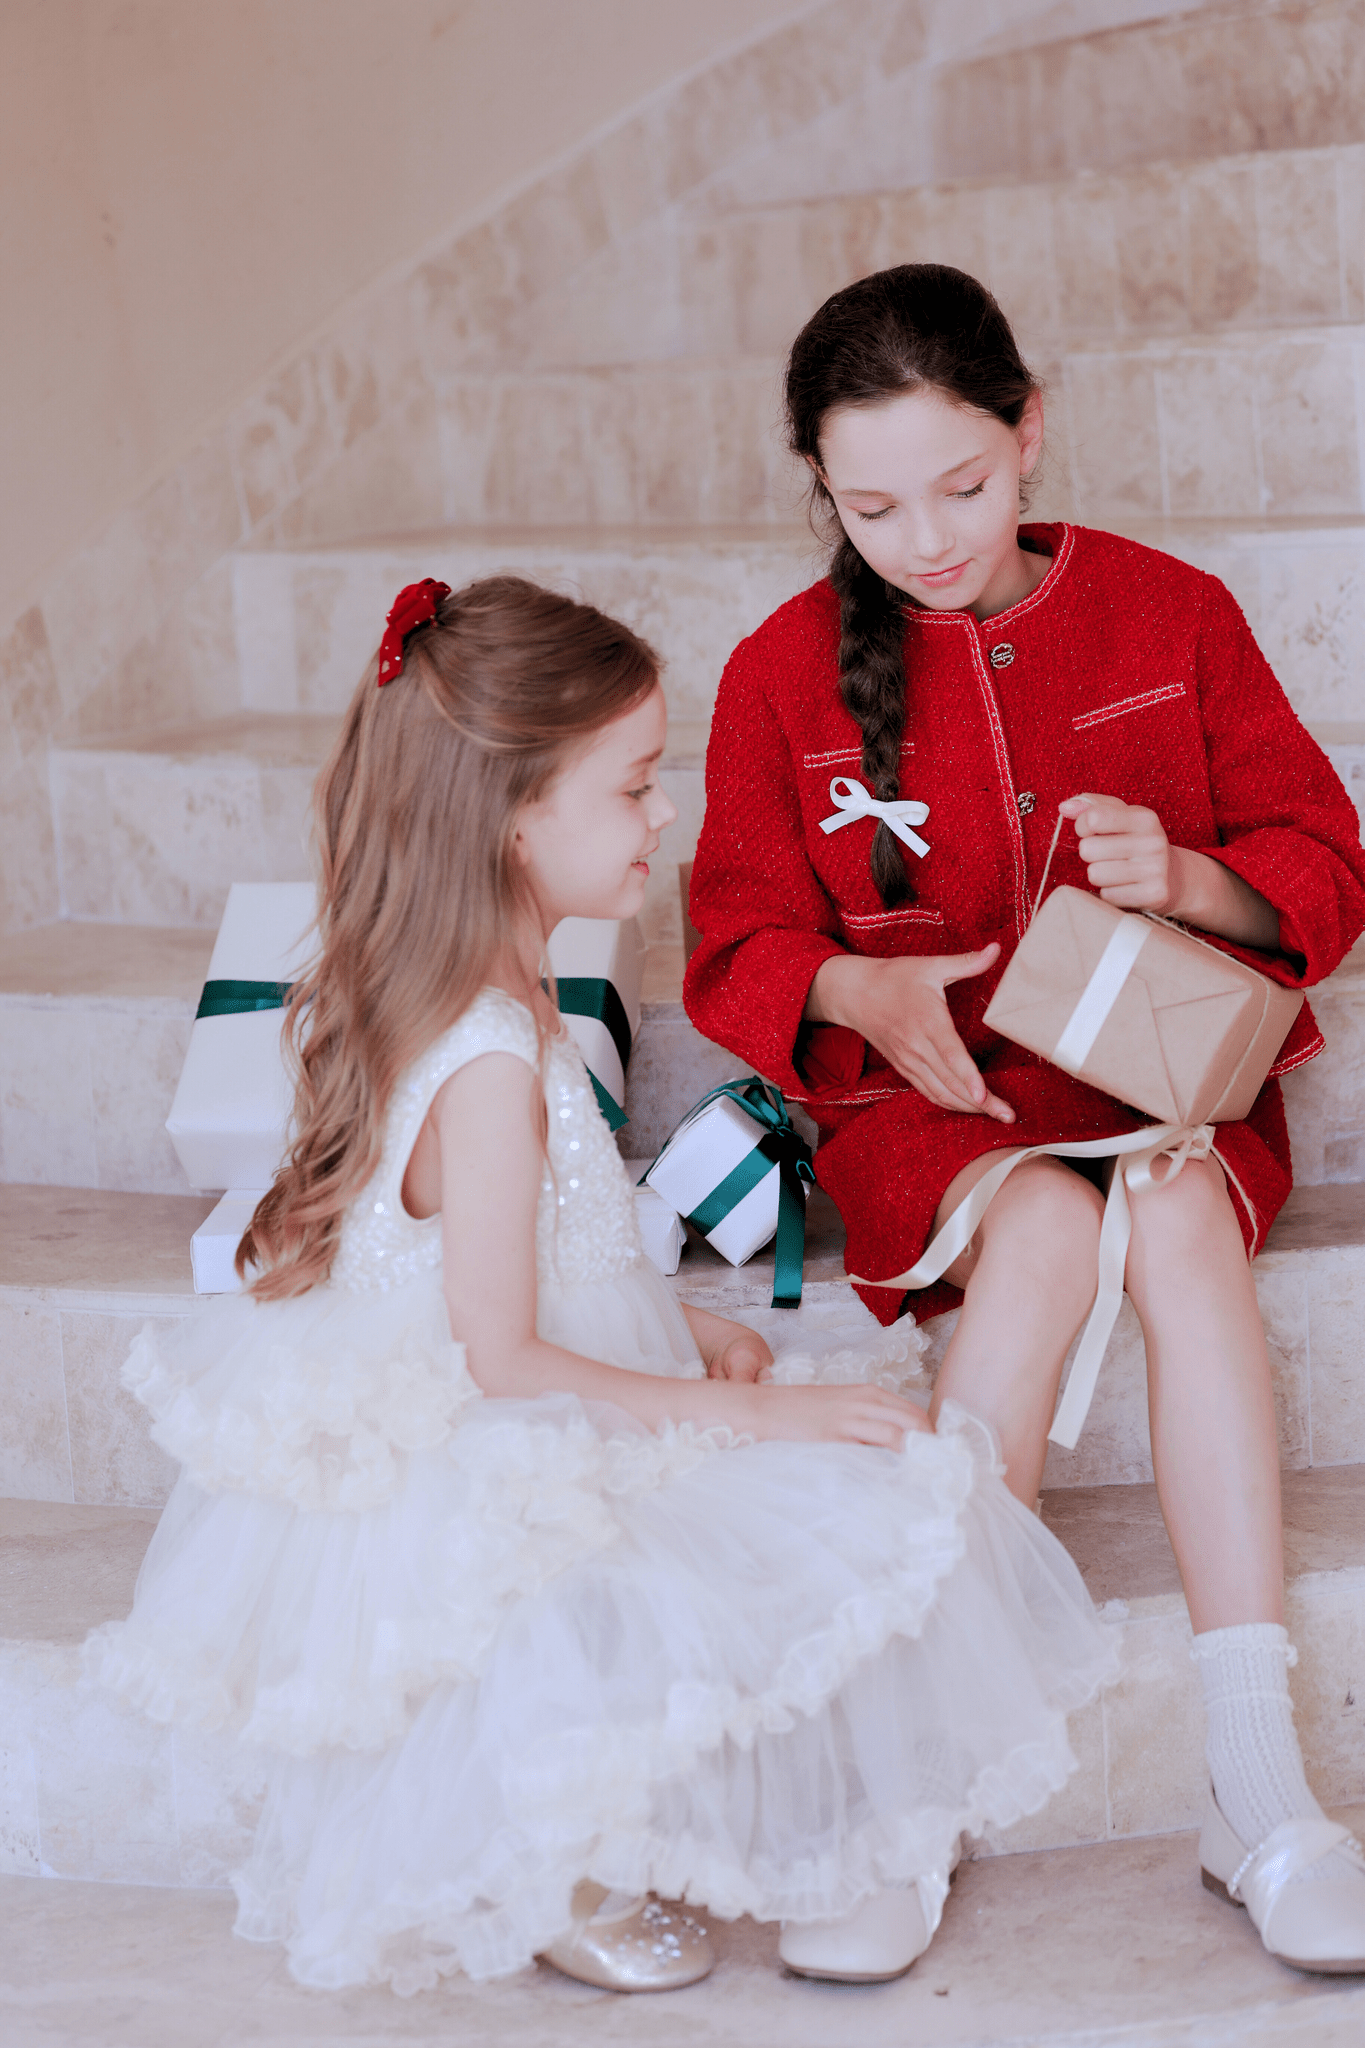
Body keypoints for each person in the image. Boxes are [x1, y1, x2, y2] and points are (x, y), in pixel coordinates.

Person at [90, 574, 1115, 1996]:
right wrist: (742, 1424)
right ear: (519, 818)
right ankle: (553, 1859)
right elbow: (501, 1359)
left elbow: (516, 1271)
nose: (664, 819)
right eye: (634, 788)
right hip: (484, 1442)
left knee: (871, 1476)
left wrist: (684, 1326)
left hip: (498, 1378)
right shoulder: (497, 1059)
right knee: (869, 1496)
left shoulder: (489, 1001)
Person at [684, 264, 1365, 1977]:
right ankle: (913, 1779)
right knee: (1050, 1224)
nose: (925, 537)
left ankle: (1257, 1785)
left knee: (1187, 1214)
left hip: (1164, 1079)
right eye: (873, 503)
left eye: (967, 487)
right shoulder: (780, 676)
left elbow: (1327, 860)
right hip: (938, 1111)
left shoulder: (1172, 612)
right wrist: (858, 996)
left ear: (1031, 430)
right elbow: (733, 940)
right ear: (822, 491)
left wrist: (1199, 876)